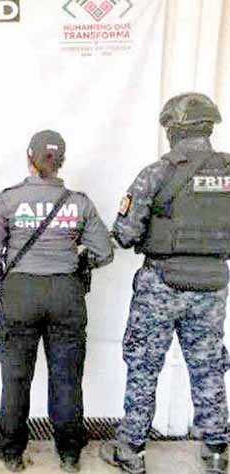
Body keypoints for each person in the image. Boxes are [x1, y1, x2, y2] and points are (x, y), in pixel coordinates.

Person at [100, 93, 230, 474]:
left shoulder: (157, 173)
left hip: (162, 284)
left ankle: (131, 449)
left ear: (173, 129)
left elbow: (126, 234)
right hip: (211, 286)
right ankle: (216, 451)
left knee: (144, 364)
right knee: (208, 366)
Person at [0, 130, 114, 473]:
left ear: (29, 158)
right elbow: (104, 252)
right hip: (66, 293)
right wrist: (79, 266)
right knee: (67, 377)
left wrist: (5, 288)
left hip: (20, 292)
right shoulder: (79, 202)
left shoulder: (10, 199)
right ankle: (69, 453)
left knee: (15, 377)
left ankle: (10, 451)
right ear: (62, 162)